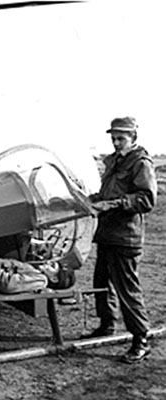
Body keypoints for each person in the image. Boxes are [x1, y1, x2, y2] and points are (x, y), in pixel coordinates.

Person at [85, 116, 157, 364]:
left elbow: (146, 199)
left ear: (133, 138)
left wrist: (112, 204)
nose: (115, 143)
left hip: (126, 237)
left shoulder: (141, 163)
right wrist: (90, 199)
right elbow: (108, 193)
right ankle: (107, 325)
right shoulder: (115, 161)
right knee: (102, 283)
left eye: (120, 138)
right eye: (113, 138)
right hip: (107, 234)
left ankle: (141, 340)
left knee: (127, 290)